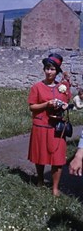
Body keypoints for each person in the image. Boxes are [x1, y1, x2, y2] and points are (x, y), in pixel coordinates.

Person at [27, 53, 71, 196]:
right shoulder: (37, 87)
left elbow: (66, 102)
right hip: (41, 125)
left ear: (57, 71)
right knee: (40, 155)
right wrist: (46, 104)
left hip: (57, 127)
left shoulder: (62, 87)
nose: (49, 72)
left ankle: (55, 188)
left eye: (52, 69)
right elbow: (32, 107)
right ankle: (40, 181)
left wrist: (65, 106)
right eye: (47, 68)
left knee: (57, 158)